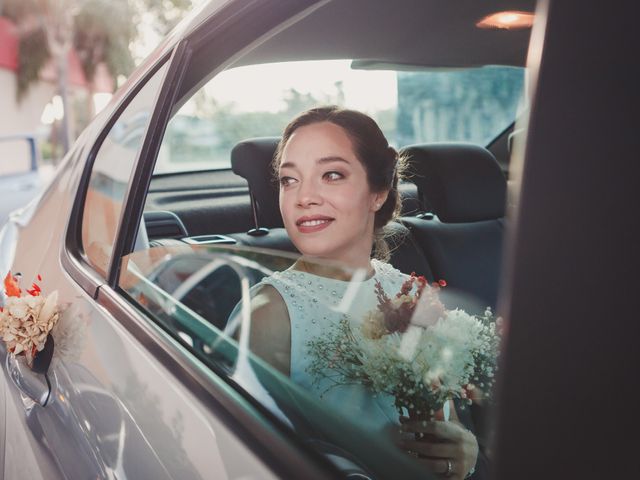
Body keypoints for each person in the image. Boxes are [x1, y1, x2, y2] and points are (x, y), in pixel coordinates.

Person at [245, 106, 480, 479]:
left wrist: (464, 450)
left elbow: (445, 416)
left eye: (331, 175)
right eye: (290, 180)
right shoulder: (268, 313)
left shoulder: (407, 291)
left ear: (378, 192)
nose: (303, 197)